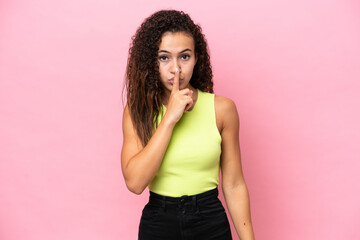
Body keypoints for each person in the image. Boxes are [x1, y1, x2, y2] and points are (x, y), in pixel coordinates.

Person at [121, 9, 255, 240]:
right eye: (164, 57)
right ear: (152, 61)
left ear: (196, 58)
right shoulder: (137, 111)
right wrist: (169, 118)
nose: (176, 69)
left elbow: (234, 184)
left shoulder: (222, 110)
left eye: (184, 56)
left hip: (210, 220)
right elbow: (134, 183)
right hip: (159, 223)